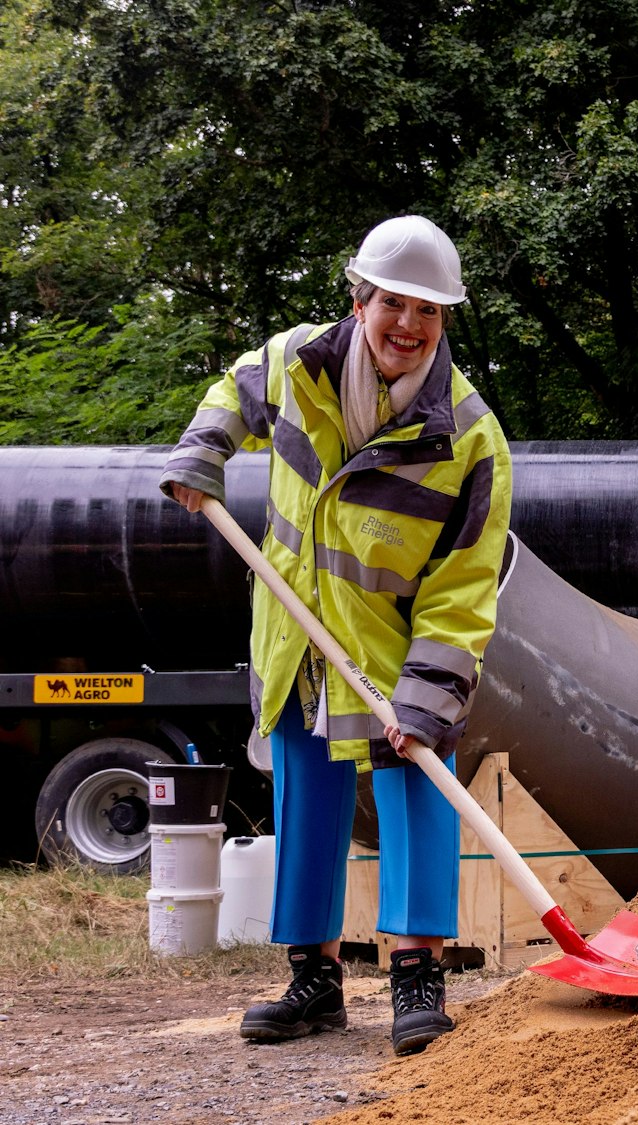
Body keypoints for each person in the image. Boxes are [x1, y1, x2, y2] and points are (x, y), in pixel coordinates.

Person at [159, 215, 513, 1056]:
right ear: (360, 299)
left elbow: (463, 590)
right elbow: (229, 394)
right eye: (395, 302)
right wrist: (202, 453)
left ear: (445, 321)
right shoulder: (294, 364)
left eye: (429, 311)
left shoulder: (467, 437)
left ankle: (418, 976)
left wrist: (428, 695)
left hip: (392, 653)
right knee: (305, 795)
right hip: (292, 632)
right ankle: (312, 979)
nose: (409, 325)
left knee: (417, 788)